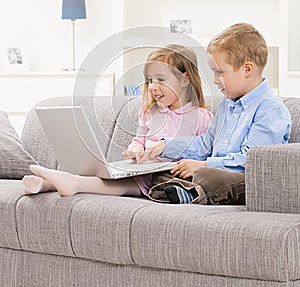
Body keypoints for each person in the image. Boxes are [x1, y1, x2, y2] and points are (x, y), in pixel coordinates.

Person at [22, 44, 212, 198]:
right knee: (103, 172)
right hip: (142, 170)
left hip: (166, 177)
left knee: (120, 184)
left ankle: (69, 183)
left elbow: (203, 152)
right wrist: (135, 151)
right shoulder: (150, 112)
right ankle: (48, 184)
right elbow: (139, 141)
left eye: (161, 79)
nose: (153, 87)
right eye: (150, 80)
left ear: (185, 80)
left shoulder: (202, 117)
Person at [136, 23, 291, 205]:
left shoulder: (270, 108)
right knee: (165, 171)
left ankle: (191, 191)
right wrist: (166, 146)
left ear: (247, 69)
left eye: (219, 73)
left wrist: (205, 165)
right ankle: (187, 191)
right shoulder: (227, 105)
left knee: (207, 176)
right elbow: (204, 144)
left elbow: (252, 160)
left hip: (245, 179)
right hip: (212, 174)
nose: (215, 81)